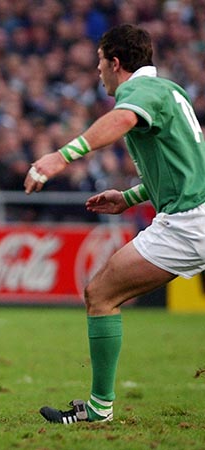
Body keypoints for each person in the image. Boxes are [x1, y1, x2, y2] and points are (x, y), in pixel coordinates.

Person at [24, 23, 205, 424]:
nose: (98, 71)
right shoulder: (170, 91)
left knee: (101, 295)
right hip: (193, 213)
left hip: (189, 223)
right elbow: (186, 168)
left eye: (100, 62)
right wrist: (129, 197)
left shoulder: (138, 93)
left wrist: (60, 156)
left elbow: (121, 119)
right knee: (101, 294)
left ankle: (100, 408)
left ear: (116, 63)